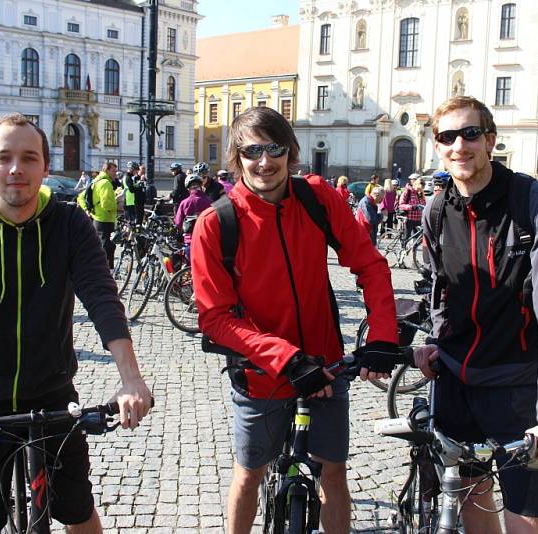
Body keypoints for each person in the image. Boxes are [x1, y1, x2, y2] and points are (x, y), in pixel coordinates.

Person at [0, 113, 152, 533]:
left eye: (29, 157)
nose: (16, 168)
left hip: (52, 398)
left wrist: (131, 378)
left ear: (45, 167)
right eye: (4, 157)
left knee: (79, 513)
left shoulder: (71, 224)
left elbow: (103, 299)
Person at [191, 106, 399, 534]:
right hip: (262, 376)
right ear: (236, 157)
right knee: (249, 476)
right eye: (251, 151)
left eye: (274, 148)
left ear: (291, 151)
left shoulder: (318, 198)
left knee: (333, 476)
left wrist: (381, 335)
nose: (264, 161)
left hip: (325, 368)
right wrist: (285, 358)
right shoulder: (217, 223)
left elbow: (371, 266)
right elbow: (214, 318)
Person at [414, 96, 538, 534]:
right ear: (437, 145)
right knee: (473, 501)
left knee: (524, 519)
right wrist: (432, 340)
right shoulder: (436, 209)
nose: (459, 146)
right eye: (446, 137)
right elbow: (440, 290)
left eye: (469, 134)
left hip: (517, 386)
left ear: (490, 140)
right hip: (456, 383)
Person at [77, 161, 118, 270]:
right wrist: (117, 205)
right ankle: (104, 271)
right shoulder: (105, 183)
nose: (116, 174)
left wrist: (87, 209)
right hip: (106, 219)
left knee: (100, 246)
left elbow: (80, 197)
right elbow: (106, 204)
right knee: (107, 248)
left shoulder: (96, 181)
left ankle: (99, 269)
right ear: (107, 170)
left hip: (96, 219)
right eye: (114, 171)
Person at [174, 174, 212, 260]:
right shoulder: (209, 202)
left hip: (190, 241)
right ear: (201, 186)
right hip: (205, 241)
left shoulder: (184, 203)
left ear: (188, 189)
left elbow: (178, 223)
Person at [398, 173, 427, 241]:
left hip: (418, 219)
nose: (420, 190)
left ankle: (413, 251)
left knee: (417, 239)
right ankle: (403, 250)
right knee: (406, 238)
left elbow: (424, 204)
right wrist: (412, 207)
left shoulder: (420, 192)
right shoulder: (407, 191)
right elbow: (401, 205)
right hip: (409, 219)